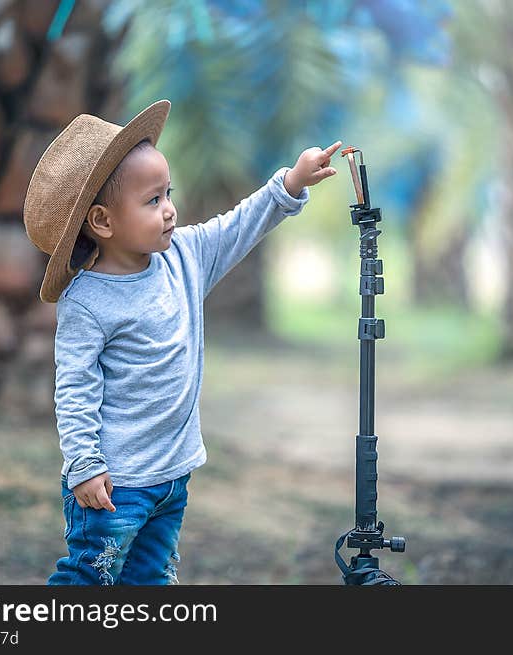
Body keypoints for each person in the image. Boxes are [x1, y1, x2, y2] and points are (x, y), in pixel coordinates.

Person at [23, 99, 341, 584]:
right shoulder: (86, 302)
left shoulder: (185, 258)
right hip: (116, 484)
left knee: (152, 580)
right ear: (103, 222)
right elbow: (74, 388)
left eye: (168, 193)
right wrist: (84, 464)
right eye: (152, 201)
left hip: (172, 476)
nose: (170, 210)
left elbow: (238, 224)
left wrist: (291, 183)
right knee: (90, 577)